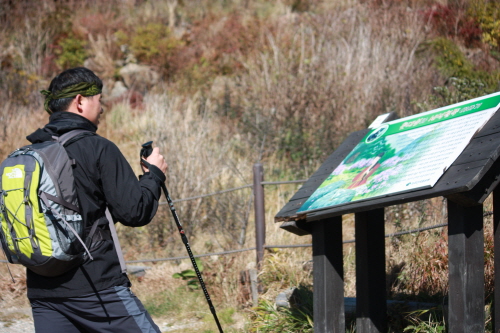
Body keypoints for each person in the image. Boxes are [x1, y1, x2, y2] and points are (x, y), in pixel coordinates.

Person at [26, 67, 167, 333]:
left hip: (43, 292)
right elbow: (135, 212)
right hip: (97, 288)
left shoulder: (30, 153)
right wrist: (153, 176)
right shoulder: (98, 147)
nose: (102, 109)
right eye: (99, 100)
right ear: (80, 101)